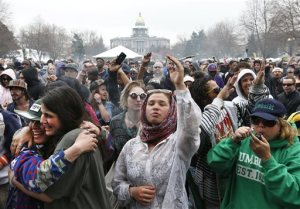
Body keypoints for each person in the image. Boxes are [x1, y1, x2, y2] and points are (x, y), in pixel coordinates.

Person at [112, 55, 201, 208]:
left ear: (172, 110)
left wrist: (180, 85)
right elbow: (117, 183)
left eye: (162, 104)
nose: (155, 107)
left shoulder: (178, 144)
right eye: (151, 103)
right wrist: (132, 191)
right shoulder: (131, 146)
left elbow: (192, 127)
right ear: (144, 109)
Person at [9, 86, 111, 209]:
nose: (40, 122)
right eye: (31, 121)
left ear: (64, 115)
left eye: (48, 115)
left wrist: (14, 179)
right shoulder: (29, 147)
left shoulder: (73, 139)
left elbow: (46, 192)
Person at [207, 98, 300, 209]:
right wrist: (232, 142)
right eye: (255, 120)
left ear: (281, 125)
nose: (260, 126)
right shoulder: (244, 140)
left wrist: (267, 159)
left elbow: (295, 194)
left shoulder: (293, 149)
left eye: (268, 122)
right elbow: (215, 163)